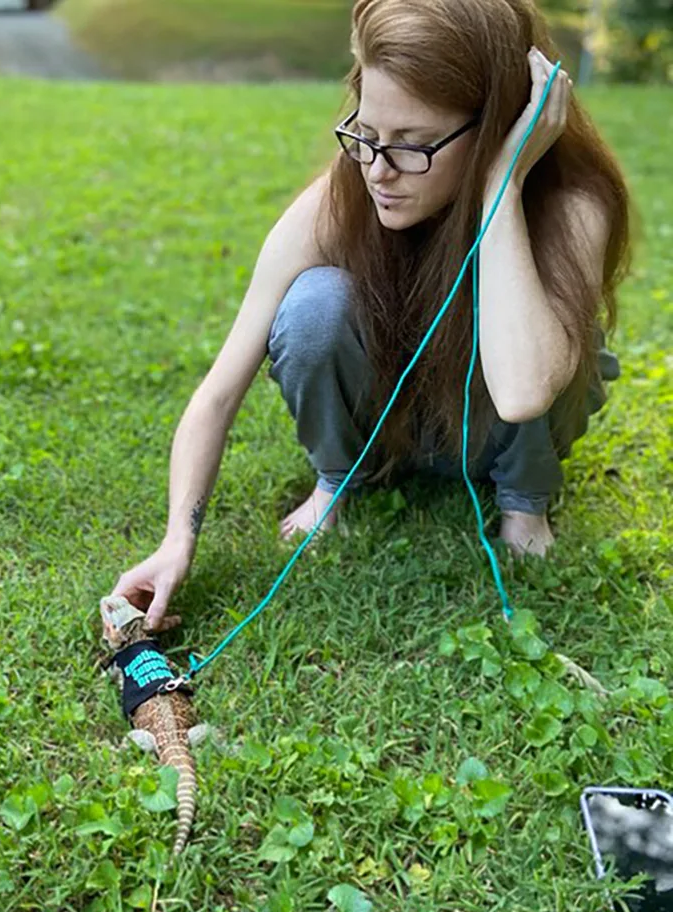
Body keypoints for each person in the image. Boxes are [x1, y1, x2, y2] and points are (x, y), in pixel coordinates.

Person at [112, 0, 632, 632]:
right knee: (313, 306)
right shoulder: (341, 195)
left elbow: (525, 391)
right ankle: (340, 478)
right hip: (397, 427)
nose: (379, 172)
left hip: (500, 431)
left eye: (413, 146)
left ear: (501, 128)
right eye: (367, 135)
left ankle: (524, 502)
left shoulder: (575, 205)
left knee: (534, 316)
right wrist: (176, 542)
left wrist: (503, 188)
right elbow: (219, 392)